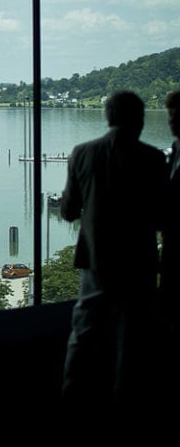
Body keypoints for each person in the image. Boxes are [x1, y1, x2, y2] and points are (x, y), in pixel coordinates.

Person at [60, 90, 167, 409]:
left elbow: (68, 211)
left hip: (96, 260)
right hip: (139, 262)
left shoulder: (82, 153)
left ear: (107, 117)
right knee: (134, 339)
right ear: (140, 120)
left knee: (84, 333)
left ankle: (72, 396)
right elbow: (162, 215)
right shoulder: (153, 159)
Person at [160, 90, 180, 344]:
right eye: (170, 115)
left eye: (176, 116)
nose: (171, 121)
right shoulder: (175, 148)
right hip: (170, 242)